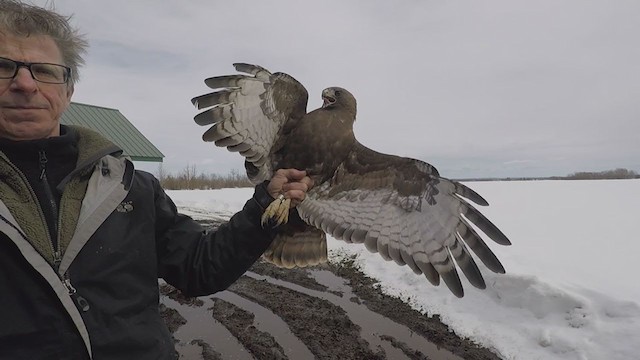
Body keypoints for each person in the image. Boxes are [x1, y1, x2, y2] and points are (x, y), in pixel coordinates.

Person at [0, 1, 312, 359]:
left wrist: (263, 205)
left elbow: (200, 269)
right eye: (3, 67)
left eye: (44, 70)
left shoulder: (132, 186)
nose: (24, 84)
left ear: (68, 90)